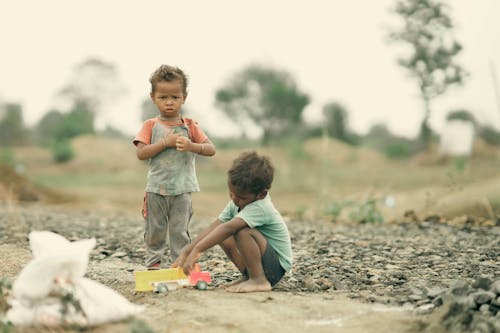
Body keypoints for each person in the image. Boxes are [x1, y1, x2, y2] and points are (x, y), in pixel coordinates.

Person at [173, 151, 293, 293]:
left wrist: (198, 250)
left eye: (241, 197)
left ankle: (259, 280)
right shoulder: (237, 202)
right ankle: (249, 276)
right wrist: (188, 250)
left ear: (261, 194)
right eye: (231, 194)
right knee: (223, 236)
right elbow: (215, 227)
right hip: (264, 262)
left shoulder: (261, 207)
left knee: (242, 231)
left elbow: (228, 227)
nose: (235, 200)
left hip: (276, 268)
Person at [133, 64, 216, 270]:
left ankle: (180, 265)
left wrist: (191, 146)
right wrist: (164, 144)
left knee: (180, 230)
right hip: (156, 189)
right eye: (163, 97)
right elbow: (141, 153)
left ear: (184, 97)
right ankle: (153, 264)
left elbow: (211, 149)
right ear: (153, 97)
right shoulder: (150, 125)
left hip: (182, 190)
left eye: (175, 97)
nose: (169, 102)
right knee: (155, 229)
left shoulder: (190, 125)